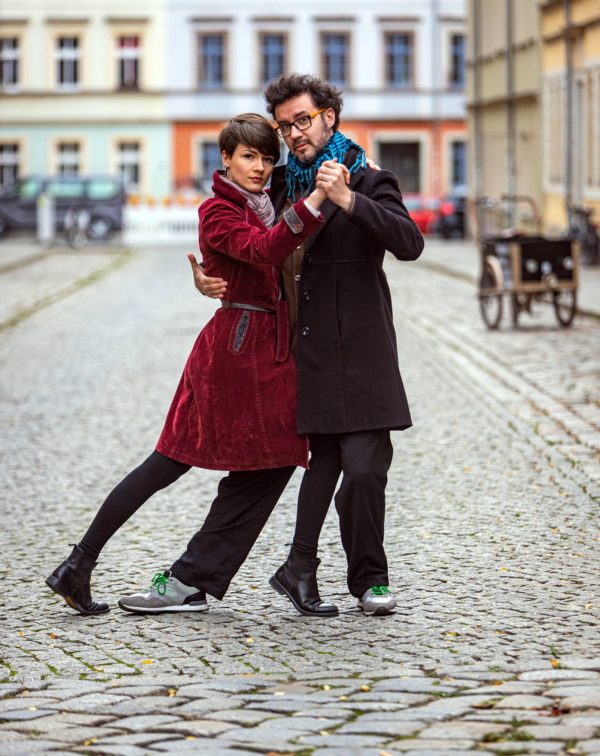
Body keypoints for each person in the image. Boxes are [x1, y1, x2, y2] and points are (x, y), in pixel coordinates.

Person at [45, 113, 339, 618]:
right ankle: (83, 561)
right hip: (236, 353)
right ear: (225, 158)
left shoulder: (269, 203)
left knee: (274, 458)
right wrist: (315, 203)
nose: (259, 167)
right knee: (171, 460)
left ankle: (186, 577)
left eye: (268, 158)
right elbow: (264, 251)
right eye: (249, 156)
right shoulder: (217, 211)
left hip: (268, 350)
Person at [194, 74, 424, 617]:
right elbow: (245, 247)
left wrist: (347, 199)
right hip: (305, 350)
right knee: (321, 464)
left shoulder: (369, 180)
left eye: (303, 120)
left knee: (365, 469)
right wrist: (207, 276)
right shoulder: (278, 190)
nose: (295, 133)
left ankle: (368, 577)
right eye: (285, 125)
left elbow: (409, 243)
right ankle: (305, 569)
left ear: (330, 117)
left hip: (364, 350)